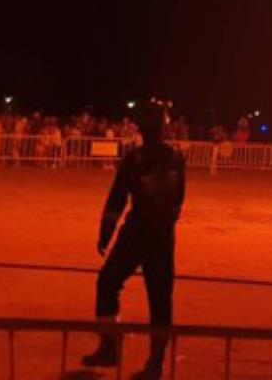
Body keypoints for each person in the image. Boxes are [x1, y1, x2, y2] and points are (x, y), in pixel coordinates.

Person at [82, 101, 186, 379]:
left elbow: (120, 198)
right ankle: (122, 352)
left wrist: (107, 231)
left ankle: (138, 356)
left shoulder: (147, 159)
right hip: (153, 235)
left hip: (145, 235)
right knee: (153, 298)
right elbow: (175, 203)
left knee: (129, 289)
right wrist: (109, 229)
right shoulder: (171, 158)